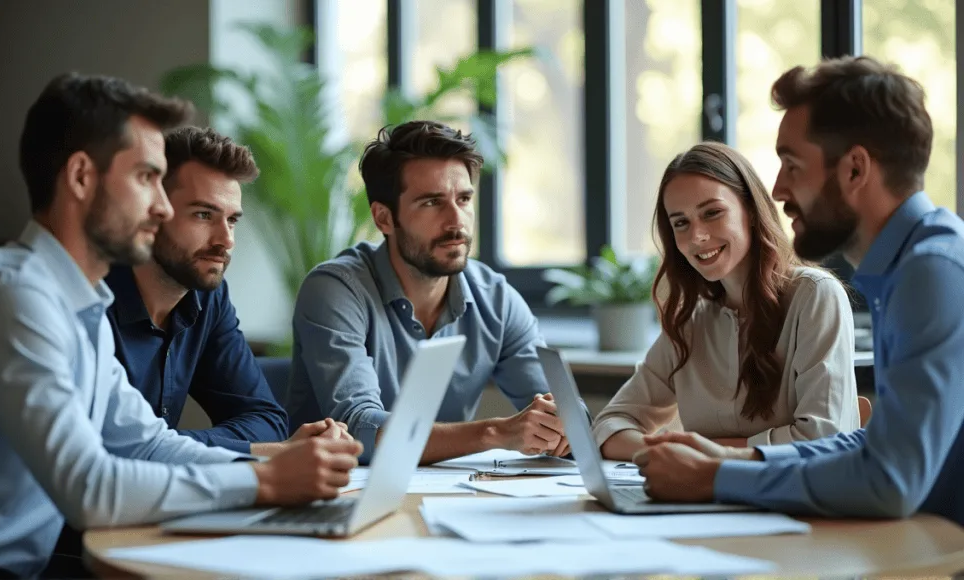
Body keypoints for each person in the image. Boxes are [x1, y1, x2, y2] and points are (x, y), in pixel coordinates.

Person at [0, 73, 361, 578]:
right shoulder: (14, 299)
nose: (161, 206)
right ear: (80, 178)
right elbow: (90, 489)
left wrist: (275, 465)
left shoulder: (81, 302)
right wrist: (266, 483)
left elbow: (147, 444)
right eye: (145, 178)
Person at [633, 56, 964, 526]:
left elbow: (891, 481)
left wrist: (714, 479)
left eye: (792, 165)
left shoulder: (932, 273)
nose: (777, 188)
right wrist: (730, 462)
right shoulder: (907, 271)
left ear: (854, 169)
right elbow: (870, 445)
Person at [285, 120, 573, 464]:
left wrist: (562, 424)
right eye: (431, 202)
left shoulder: (495, 297)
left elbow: (565, 410)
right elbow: (360, 430)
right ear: (384, 219)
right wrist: (495, 433)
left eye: (464, 198)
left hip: (451, 494)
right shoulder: (335, 290)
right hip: (338, 494)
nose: (457, 221)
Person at [595, 141, 859, 461]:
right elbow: (610, 424)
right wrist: (672, 452)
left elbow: (821, 440)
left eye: (712, 213)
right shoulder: (690, 321)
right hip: (703, 502)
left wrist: (705, 453)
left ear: (749, 210)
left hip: (787, 506)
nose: (697, 236)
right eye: (681, 223)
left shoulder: (815, 296)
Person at [105, 126, 350, 456]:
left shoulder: (207, 297)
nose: (226, 240)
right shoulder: (92, 300)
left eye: (232, 220)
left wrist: (176, 448)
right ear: (153, 210)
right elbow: (105, 448)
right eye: (204, 214)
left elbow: (265, 420)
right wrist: (271, 451)